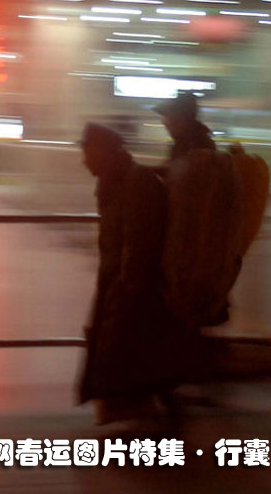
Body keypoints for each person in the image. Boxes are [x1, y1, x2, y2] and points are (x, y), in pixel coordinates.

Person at [78, 123, 194, 432]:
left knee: (131, 353)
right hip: (119, 283)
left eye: (87, 152)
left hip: (135, 288)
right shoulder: (114, 182)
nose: (83, 160)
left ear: (103, 152)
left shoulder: (135, 182)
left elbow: (139, 241)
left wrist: (127, 288)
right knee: (127, 355)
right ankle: (141, 414)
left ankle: (147, 418)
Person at [153, 92, 215, 162]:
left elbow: (178, 168)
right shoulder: (186, 142)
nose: (164, 122)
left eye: (168, 116)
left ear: (181, 118)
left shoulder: (195, 147)